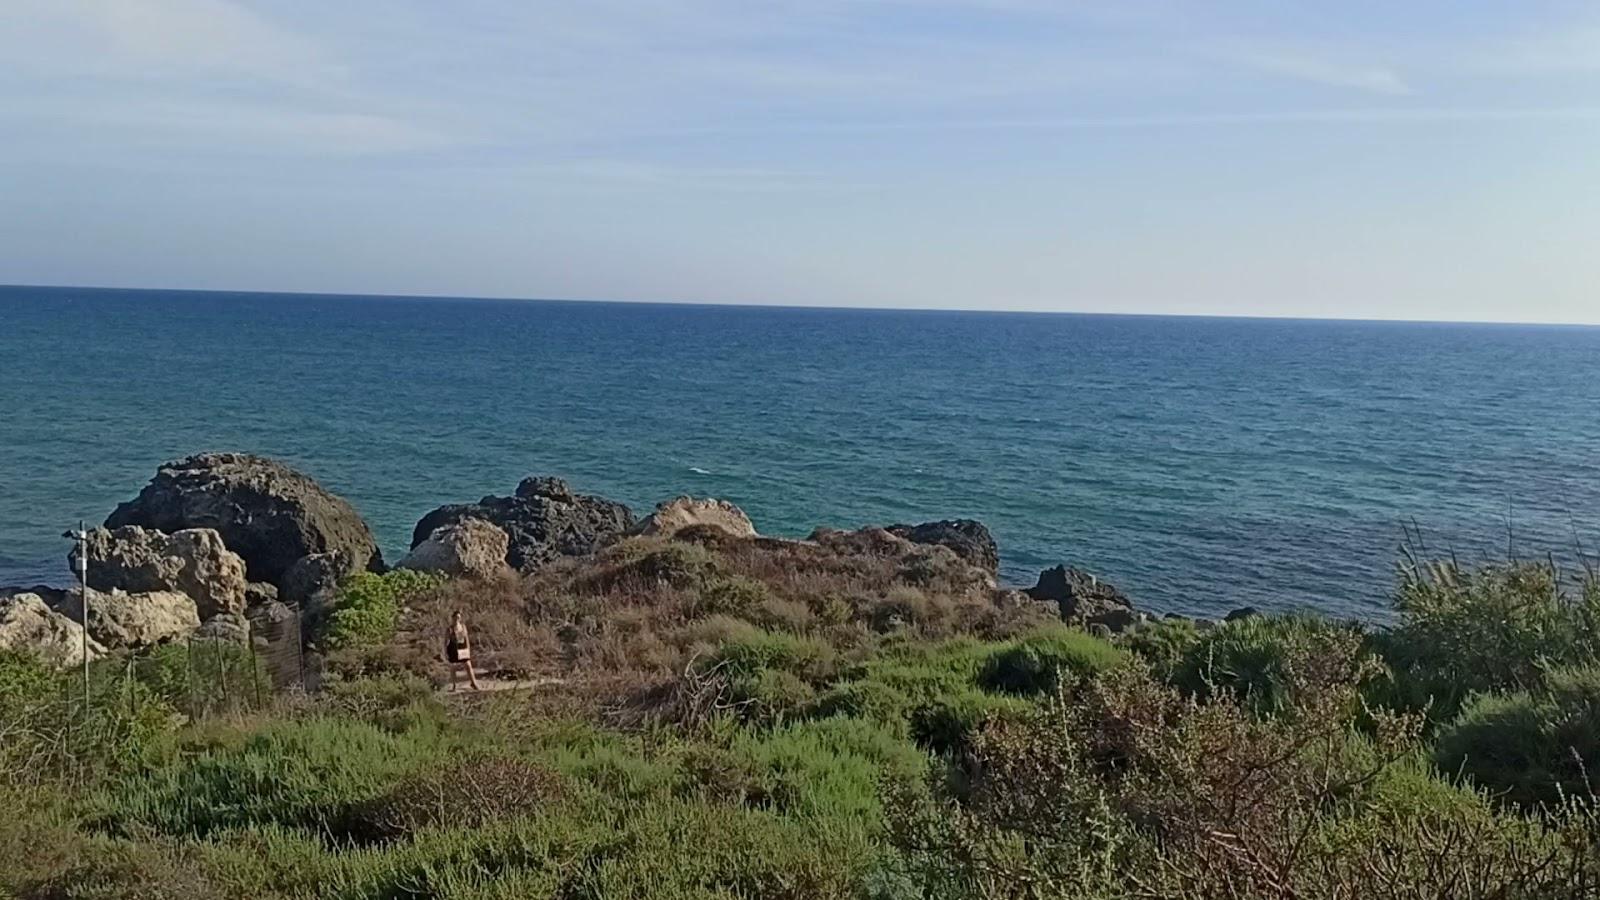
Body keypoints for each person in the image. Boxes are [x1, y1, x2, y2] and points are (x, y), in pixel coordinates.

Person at [444, 610, 481, 691]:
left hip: (462, 648)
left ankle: (473, 683)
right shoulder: (449, 629)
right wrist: (445, 652)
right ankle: (454, 685)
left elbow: (466, 638)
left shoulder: (463, 627)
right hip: (453, 649)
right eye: (456, 617)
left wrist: (468, 649)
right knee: (453, 667)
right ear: (453, 618)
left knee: (468, 665)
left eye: (458, 617)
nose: (457, 619)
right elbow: (446, 641)